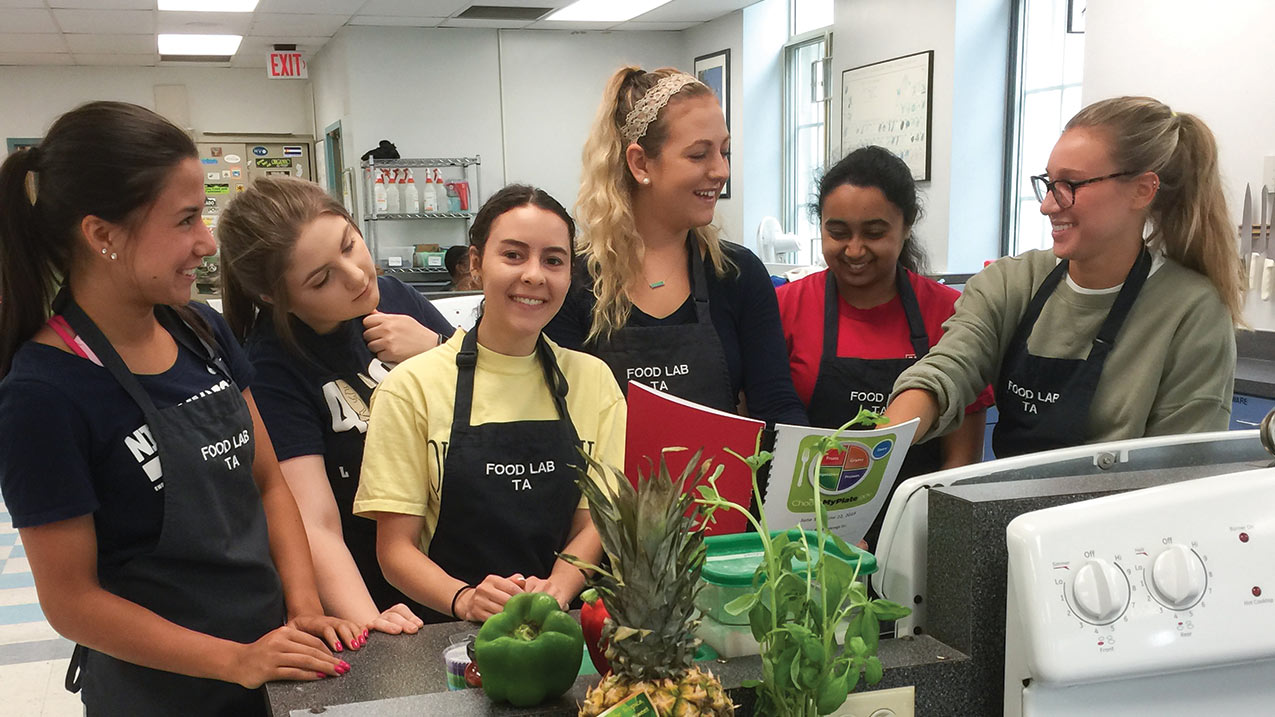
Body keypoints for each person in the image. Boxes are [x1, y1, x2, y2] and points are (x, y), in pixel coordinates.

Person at [0, 101, 359, 715]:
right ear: (102, 235)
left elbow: (269, 482)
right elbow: (71, 602)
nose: (207, 241)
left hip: (273, 665)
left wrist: (303, 608)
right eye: (187, 219)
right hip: (163, 692)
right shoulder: (44, 394)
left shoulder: (201, 332)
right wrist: (235, 661)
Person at [885, 96, 1242, 457]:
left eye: (1070, 184)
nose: (1047, 205)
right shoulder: (1011, 283)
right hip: (1012, 511)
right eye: (1049, 182)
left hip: (1123, 511)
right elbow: (948, 370)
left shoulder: (1193, 311)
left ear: (1142, 190)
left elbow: (1179, 468)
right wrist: (883, 442)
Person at [353, 184, 623, 623]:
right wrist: (464, 599)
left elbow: (596, 521)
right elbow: (394, 551)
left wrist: (557, 588)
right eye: (514, 255)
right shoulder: (411, 389)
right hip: (447, 638)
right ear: (476, 265)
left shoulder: (594, 383)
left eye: (553, 260)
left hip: (563, 630)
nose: (535, 275)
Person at [217, 176, 457, 634]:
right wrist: (370, 622)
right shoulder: (271, 368)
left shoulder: (395, 298)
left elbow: (489, 395)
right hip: (372, 584)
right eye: (321, 278)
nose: (356, 276)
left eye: (350, 244)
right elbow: (314, 522)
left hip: (452, 559)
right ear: (274, 296)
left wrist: (438, 345)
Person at [545, 66, 807, 426]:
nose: (721, 171)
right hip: (607, 483)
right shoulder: (572, 282)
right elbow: (556, 421)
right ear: (640, 164)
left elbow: (776, 404)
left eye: (724, 152)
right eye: (699, 155)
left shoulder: (737, 274)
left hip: (718, 483)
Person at [776, 146, 995, 545]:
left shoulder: (950, 312)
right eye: (837, 233)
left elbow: (959, 462)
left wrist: (919, 542)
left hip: (914, 533)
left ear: (907, 226)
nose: (855, 250)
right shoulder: (786, 308)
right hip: (808, 535)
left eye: (874, 233)